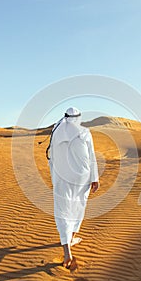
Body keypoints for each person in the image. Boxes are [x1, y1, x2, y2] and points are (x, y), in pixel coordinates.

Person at [46, 107, 99, 269]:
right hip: (82, 177)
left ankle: (67, 249)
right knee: (77, 207)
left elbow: (51, 158)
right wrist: (95, 178)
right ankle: (72, 237)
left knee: (62, 211)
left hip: (62, 177)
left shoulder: (56, 132)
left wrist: (54, 177)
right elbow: (91, 156)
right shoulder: (84, 132)